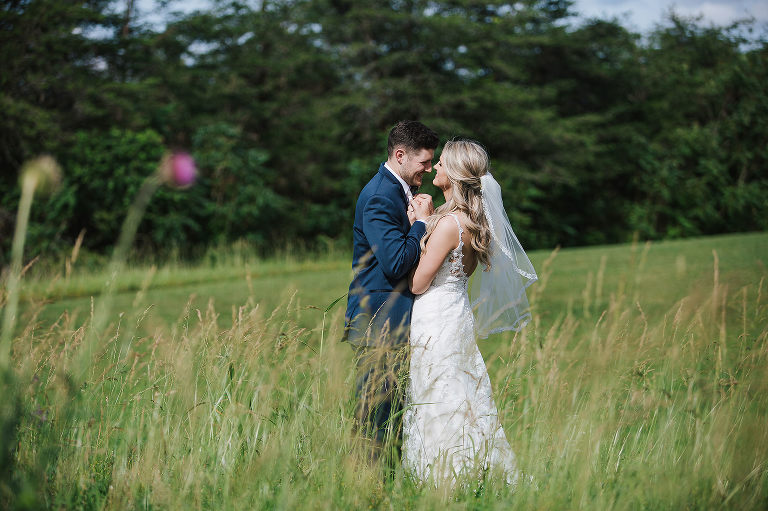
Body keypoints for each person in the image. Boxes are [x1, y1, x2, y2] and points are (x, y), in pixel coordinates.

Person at [402, 139, 538, 486]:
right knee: (460, 388)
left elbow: (418, 283)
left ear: (457, 175)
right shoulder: (472, 222)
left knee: (436, 390)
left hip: (434, 315)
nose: (435, 168)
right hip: (456, 314)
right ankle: (477, 468)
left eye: (443, 164)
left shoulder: (448, 225)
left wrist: (419, 224)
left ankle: (445, 475)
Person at [343, 120, 439, 458]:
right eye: (424, 162)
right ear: (400, 155)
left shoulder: (397, 189)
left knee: (393, 417)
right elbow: (396, 263)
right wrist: (423, 225)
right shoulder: (380, 197)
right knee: (376, 420)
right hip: (378, 323)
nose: (428, 170)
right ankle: (368, 492)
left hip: (392, 320)